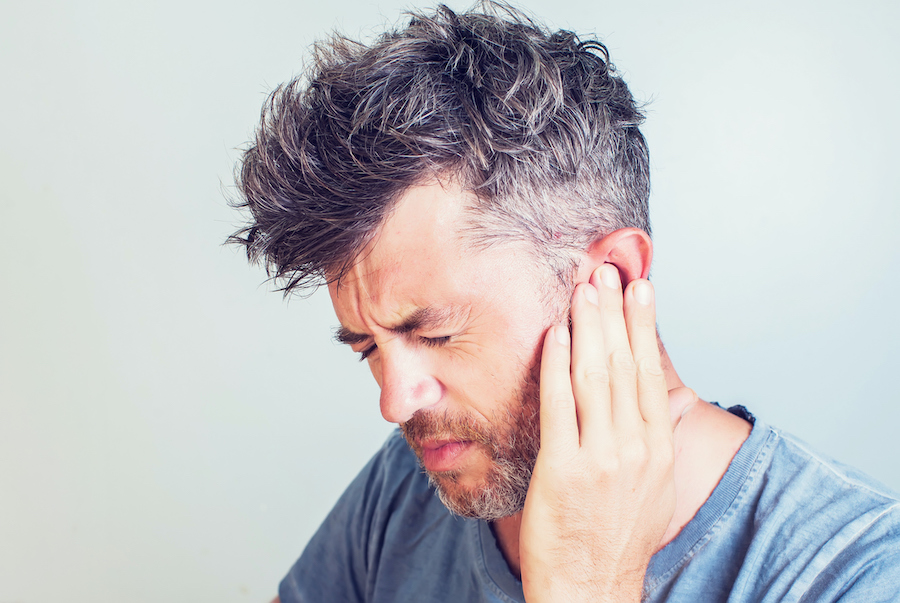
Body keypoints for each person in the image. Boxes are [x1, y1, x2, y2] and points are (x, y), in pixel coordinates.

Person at [230, 3, 900, 601]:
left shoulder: (858, 572)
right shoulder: (409, 488)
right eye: (370, 347)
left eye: (434, 334)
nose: (395, 401)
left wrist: (589, 588)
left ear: (608, 275)